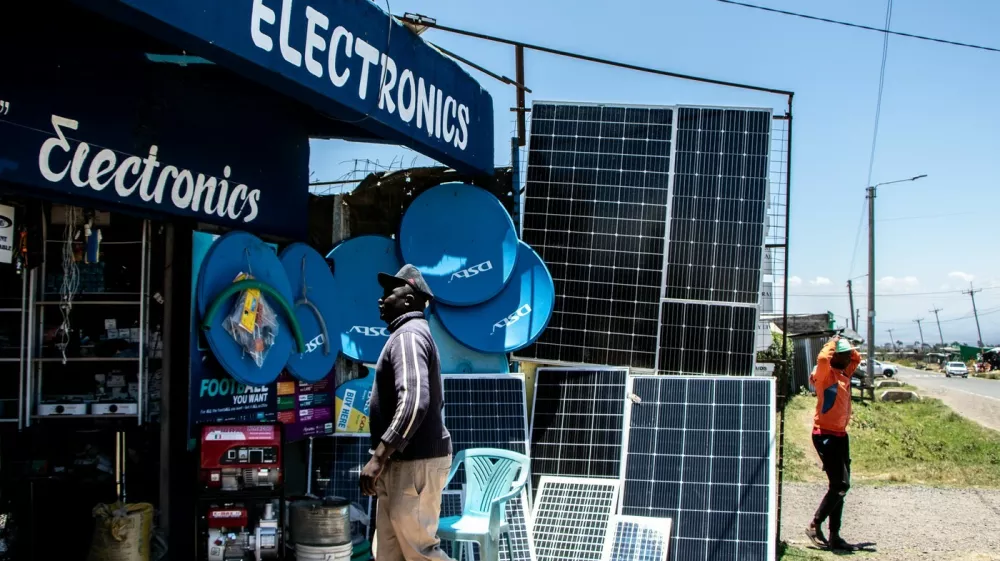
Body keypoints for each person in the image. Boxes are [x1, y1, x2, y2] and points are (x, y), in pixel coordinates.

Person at [359, 264, 453, 561]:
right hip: (403, 463)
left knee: (419, 554)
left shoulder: (408, 336)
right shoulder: (409, 335)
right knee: (390, 553)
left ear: (409, 300)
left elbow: (414, 400)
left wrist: (378, 458)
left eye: (389, 292)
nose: (381, 298)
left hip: (414, 463)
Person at [806, 335, 861, 551]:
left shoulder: (844, 373)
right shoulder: (825, 374)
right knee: (840, 485)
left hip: (840, 435)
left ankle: (834, 535)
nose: (850, 357)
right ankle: (814, 525)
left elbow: (857, 358)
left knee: (840, 487)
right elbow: (821, 359)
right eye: (845, 354)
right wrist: (833, 342)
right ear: (836, 357)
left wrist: (846, 343)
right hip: (825, 434)